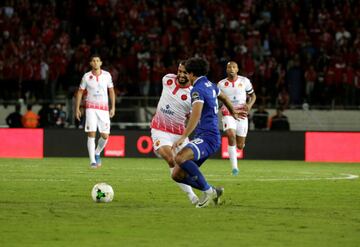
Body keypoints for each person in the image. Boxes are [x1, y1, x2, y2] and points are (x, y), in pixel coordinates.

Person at [172, 57, 245, 208]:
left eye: (186, 73)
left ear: (192, 74)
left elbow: (196, 115)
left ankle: (207, 192)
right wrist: (233, 112)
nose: (186, 76)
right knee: (177, 175)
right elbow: (224, 96)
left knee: (180, 157)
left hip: (208, 137)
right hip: (205, 137)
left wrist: (184, 136)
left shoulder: (197, 90)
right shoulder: (210, 85)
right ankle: (213, 191)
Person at [150, 61, 198, 205]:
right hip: (160, 129)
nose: (181, 75)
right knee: (171, 159)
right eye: (180, 71)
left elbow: (193, 116)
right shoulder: (167, 79)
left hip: (179, 133)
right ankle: (192, 196)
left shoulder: (193, 94)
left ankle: (206, 189)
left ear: (191, 74)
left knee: (185, 167)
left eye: (185, 72)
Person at [75, 55, 115, 168]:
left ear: (101, 63)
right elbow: (79, 92)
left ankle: (97, 152)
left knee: (105, 135)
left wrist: (113, 107)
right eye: (93, 61)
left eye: (98, 60)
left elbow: (111, 91)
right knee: (91, 133)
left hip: (104, 109)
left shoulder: (107, 75)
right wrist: (77, 108)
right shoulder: (86, 76)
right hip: (90, 108)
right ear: (91, 63)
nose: (96, 62)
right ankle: (92, 161)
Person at [218, 61, 256, 175]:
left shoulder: (244, 81)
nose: (231, 69)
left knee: (239, 146)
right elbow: (217, 99)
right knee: (230, 134)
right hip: (228, 112)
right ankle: (235, 167)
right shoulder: (220, 84)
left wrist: (249, 105)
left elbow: (253, 95)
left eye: (234, 67)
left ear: (237, 69)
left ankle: (240, 145)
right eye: (229, 67)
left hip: (242, 114)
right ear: (226, 70)